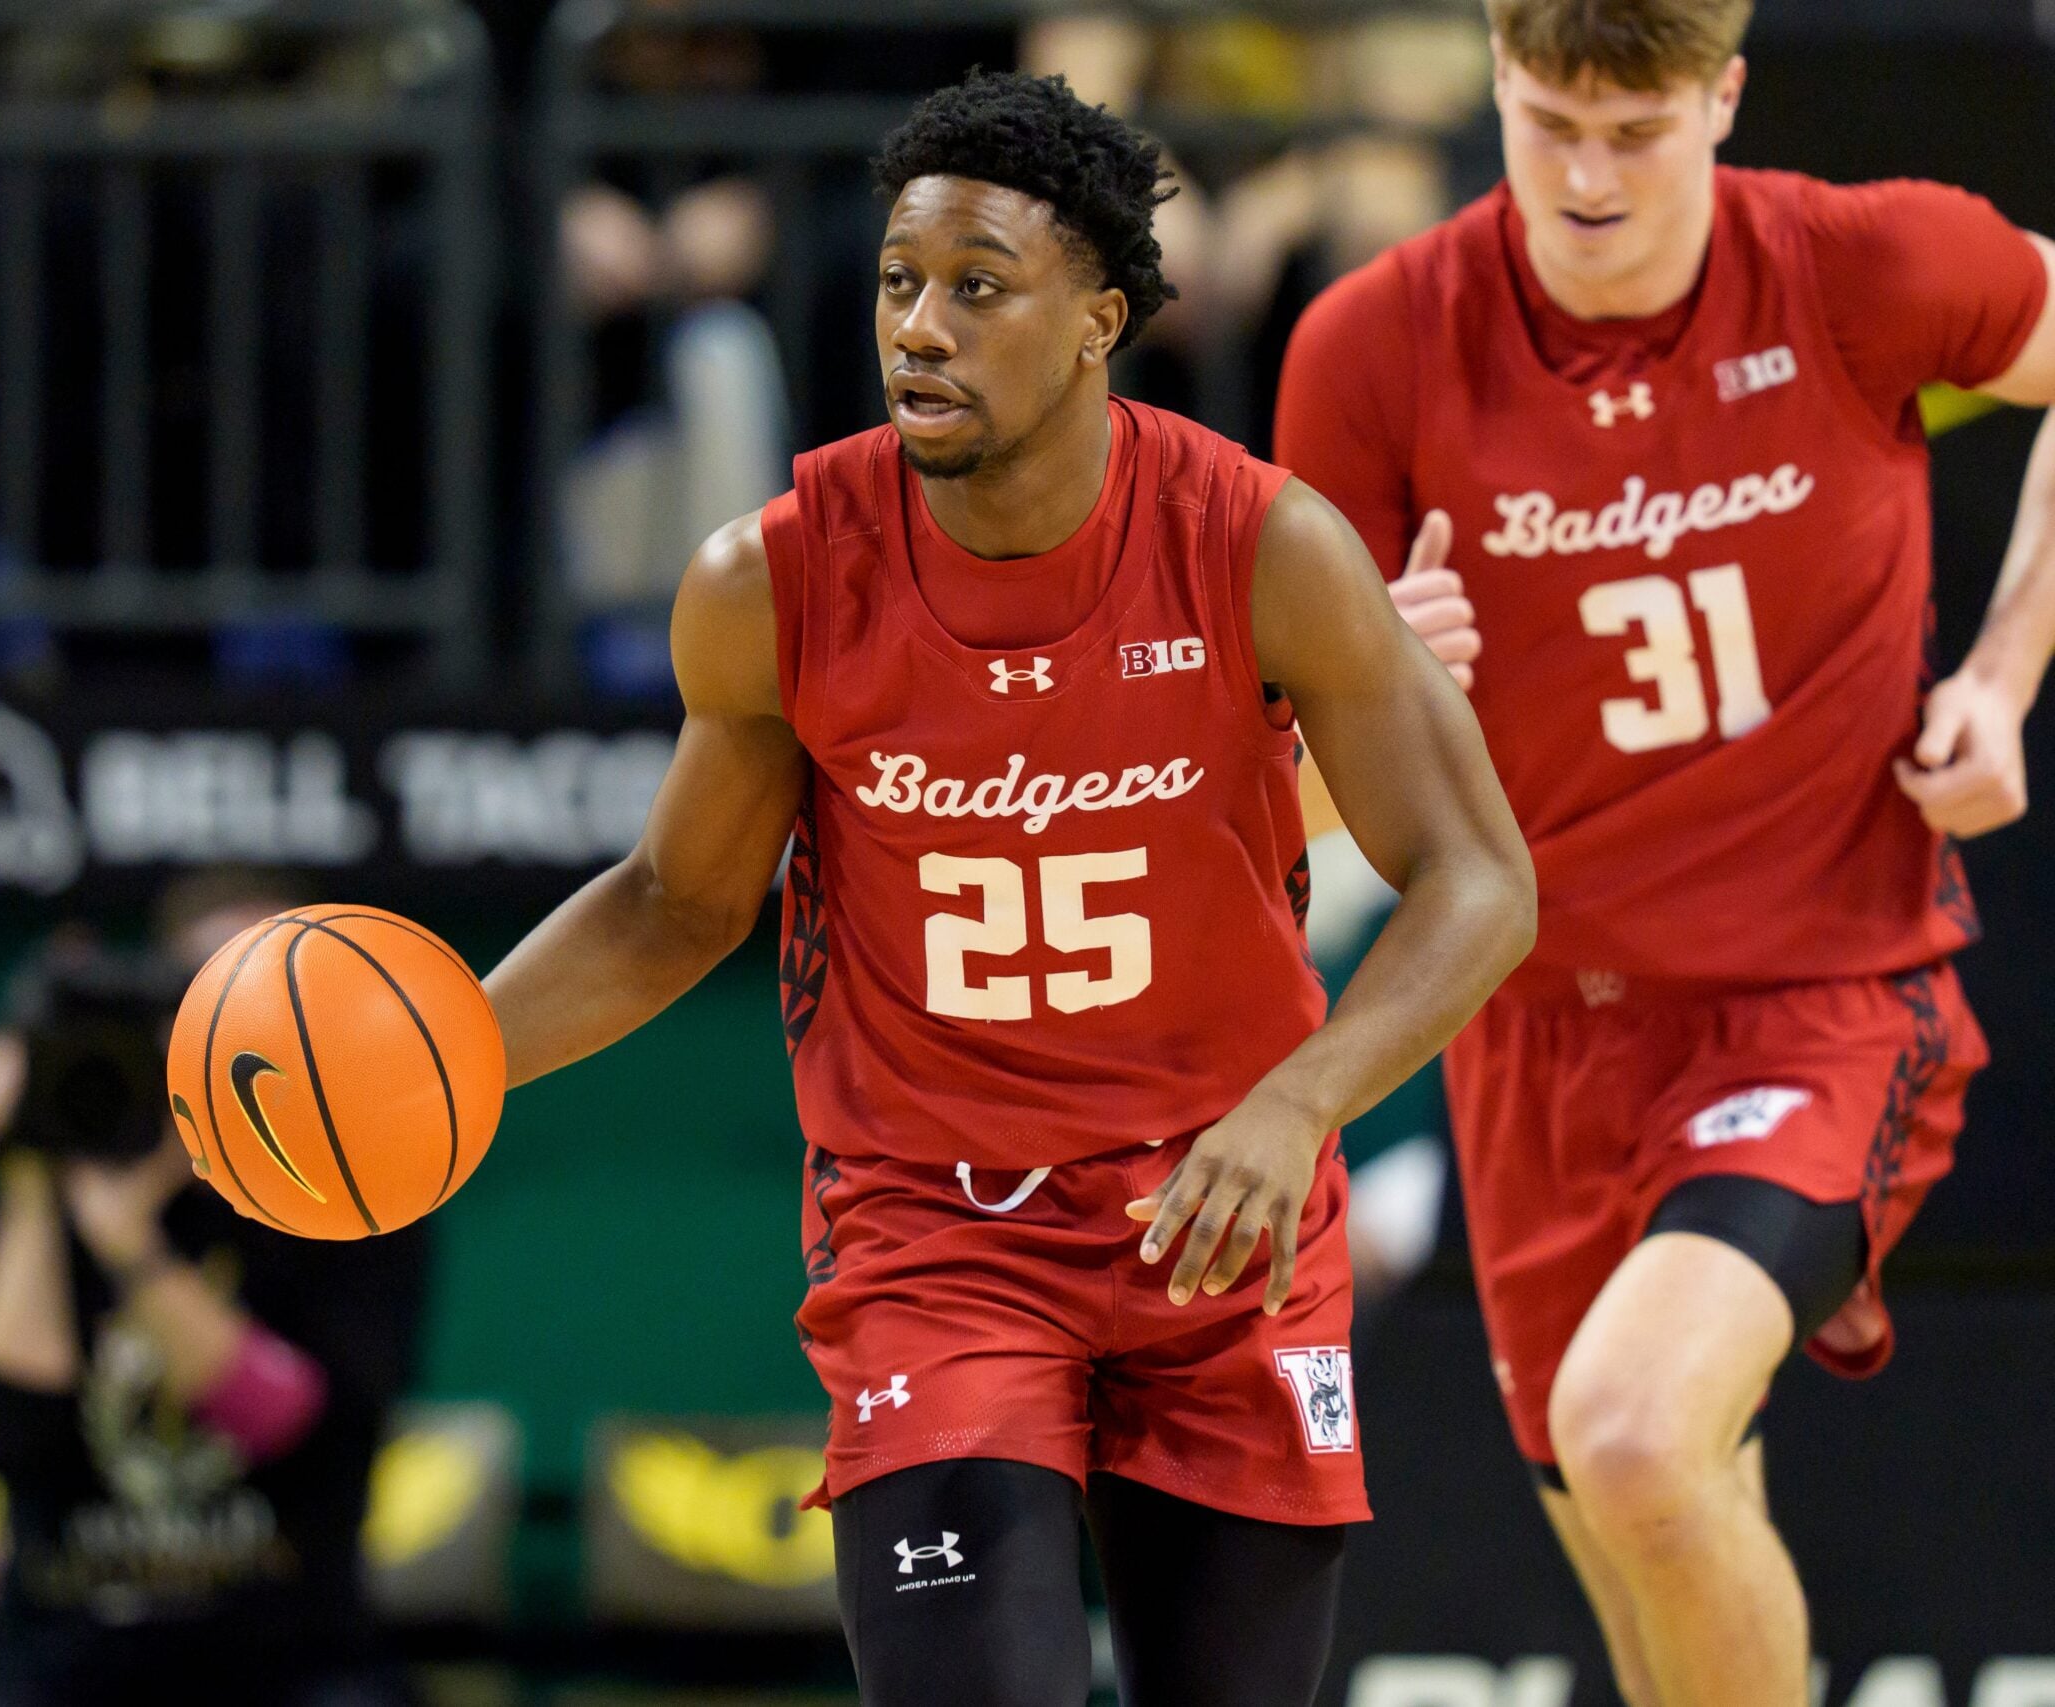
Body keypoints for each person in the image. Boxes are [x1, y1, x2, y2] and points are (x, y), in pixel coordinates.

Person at [480, 71, 1536, 1706]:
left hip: (1218, 1226)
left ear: (1101, 317)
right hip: (940, 1240)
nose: (920, 326)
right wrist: (455, 1055)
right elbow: (673, 903)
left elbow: (1481, 882)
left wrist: (1300, 1101)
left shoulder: (1264, 546)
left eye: (979, 288)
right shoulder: (770, 577)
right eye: (902, 283)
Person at [1271, 2, 2055, 1702]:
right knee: (1638, 1543)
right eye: (1549, 122)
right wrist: (1377, 703)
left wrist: (2005, 670)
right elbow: (1295, 812)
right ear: (1495, 83)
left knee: (1631, 1434)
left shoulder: (1862, 264)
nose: (1589, 176)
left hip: (1818, 991)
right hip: (1533, 1036)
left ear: (1726, 98)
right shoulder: (1375, 347)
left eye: (1636, 133)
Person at [0, 869, 428, 1707]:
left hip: (288, 1660)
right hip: (70, 1655)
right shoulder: (60, 1188)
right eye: (209, 992)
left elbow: (287, 1421)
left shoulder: (357, 1198)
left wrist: (130, 1247)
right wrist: (30, 1172)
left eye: (276, 993)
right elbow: (6, 1428)